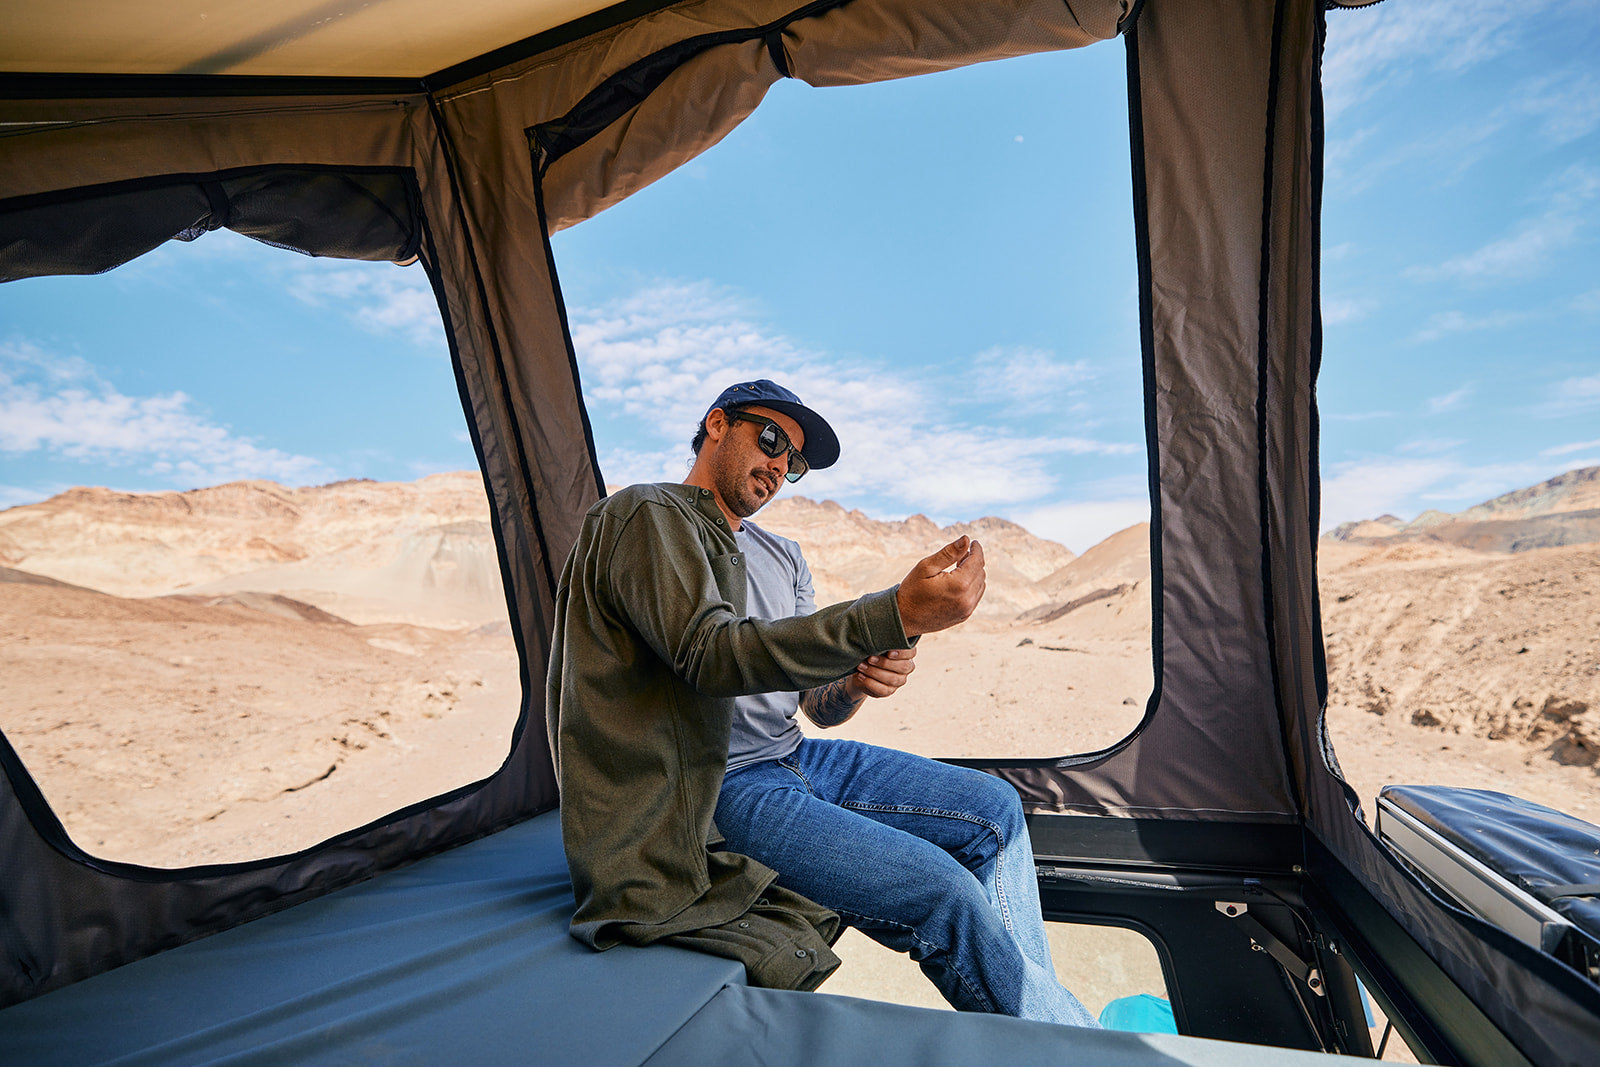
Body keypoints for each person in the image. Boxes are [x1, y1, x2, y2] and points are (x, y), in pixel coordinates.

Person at [546, 379, 1096, 1025]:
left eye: (795, 461)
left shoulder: (784, 556)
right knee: (940, 890)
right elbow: (711, 655)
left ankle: (1047, 1017)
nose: (781, 464)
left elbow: (818, 708)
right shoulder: (648, 515)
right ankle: (1065, 1039)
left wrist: (857, 682)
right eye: (773, 438)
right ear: (717, 424)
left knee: (994, 809)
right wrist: (888, 612)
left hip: (797, 757)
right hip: (719, 784)